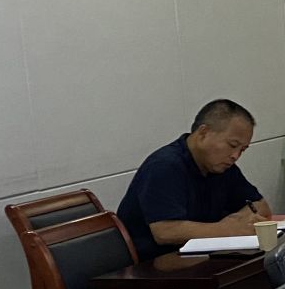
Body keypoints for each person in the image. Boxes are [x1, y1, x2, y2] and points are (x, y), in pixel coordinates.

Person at [117, 98, 273, 259]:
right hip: (154, 264)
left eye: (243, 150)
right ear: (203, 133)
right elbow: (165, 231)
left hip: (202, 258)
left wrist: (238, 220)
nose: (235, 155)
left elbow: (260, 205)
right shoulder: (164, 166)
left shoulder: (221, 166)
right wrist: (228, 228)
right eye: (232, 145)